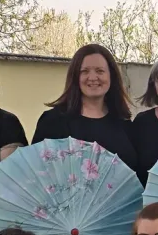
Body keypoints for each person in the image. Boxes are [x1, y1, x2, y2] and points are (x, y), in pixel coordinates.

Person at [33, 43, 138, 173]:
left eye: (100, 71)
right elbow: (39, 173)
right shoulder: (52, 122)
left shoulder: (124, 124)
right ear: (75, 77)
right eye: (85, 71)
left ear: (111, 76)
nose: (93, 78)